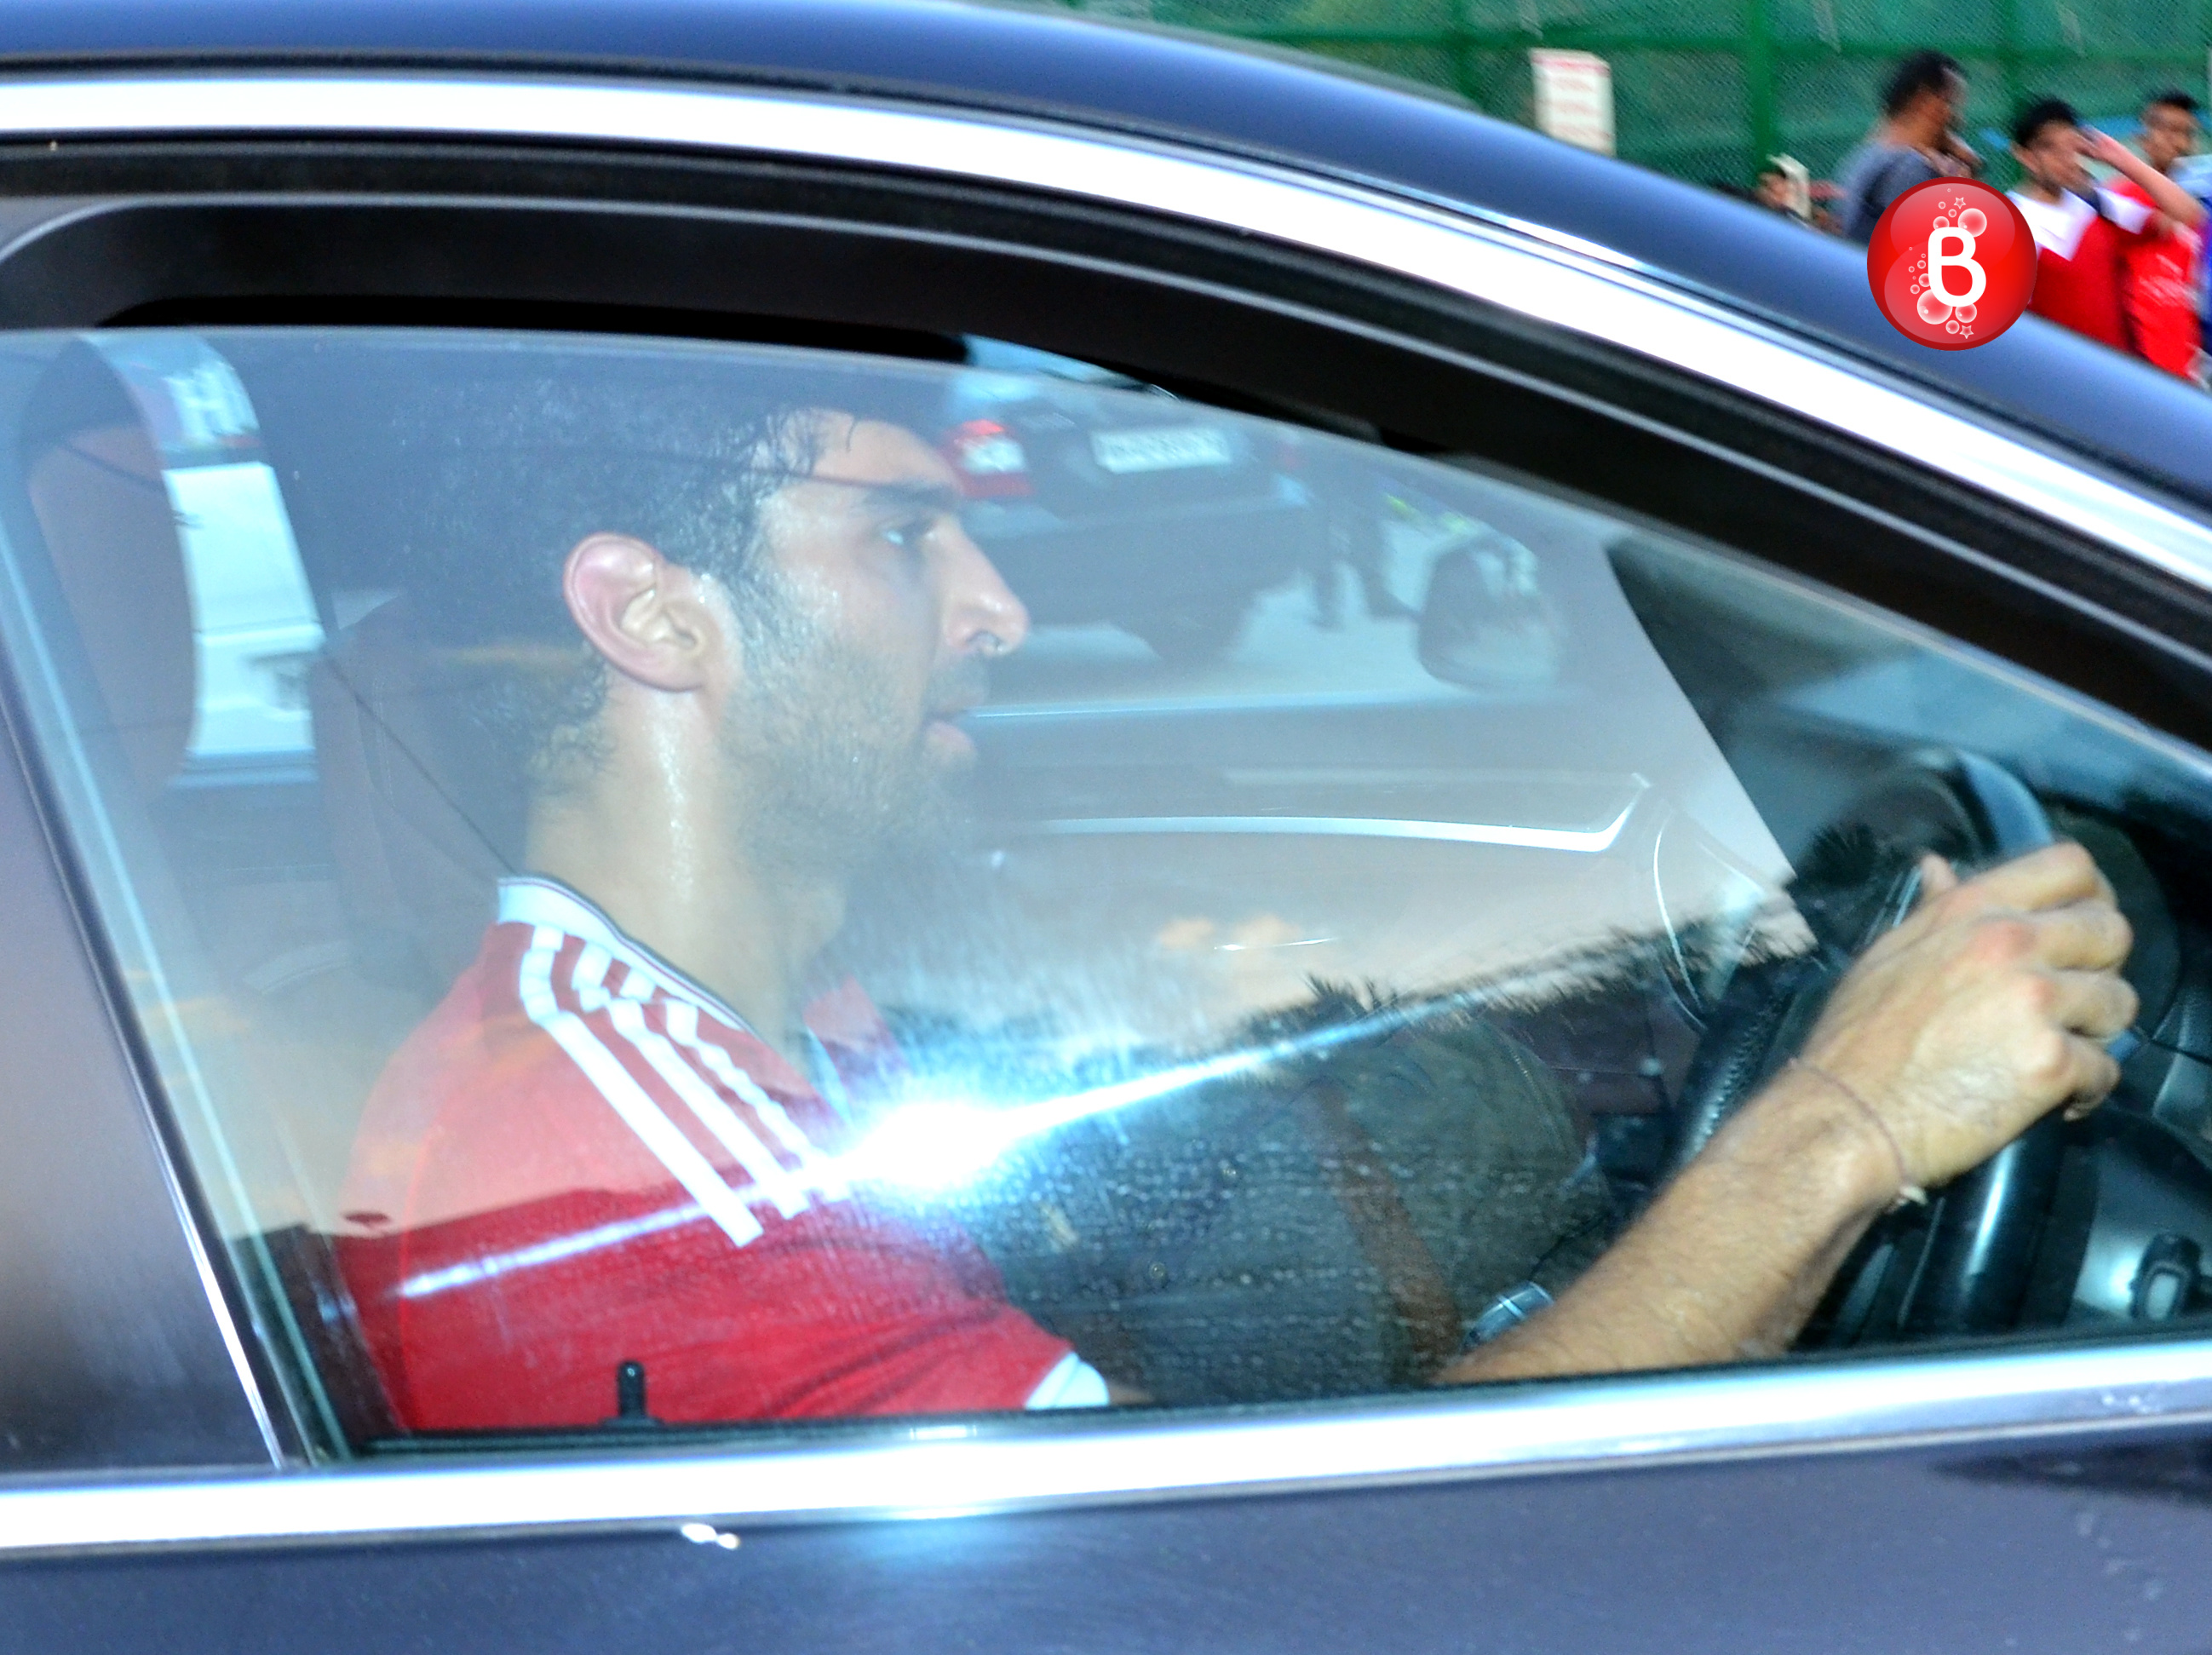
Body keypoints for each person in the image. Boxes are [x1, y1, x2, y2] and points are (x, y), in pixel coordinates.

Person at [335, 362, 2137, 1428]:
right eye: (900, 534)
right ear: (652, 614)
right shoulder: (634, 1183)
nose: (993, 606)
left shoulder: (773, 1017)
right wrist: (1830, 1125)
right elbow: (1279, 1602)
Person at [2009, 98, 2207, 360]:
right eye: (2050, 148)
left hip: (2119, 372)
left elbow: (2187, 214)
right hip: (2058, 374)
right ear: (2024, 155)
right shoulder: (2007, 225)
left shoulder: (2099, 204)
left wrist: (2119, 157)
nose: (2066, 159)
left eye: (2072, 147)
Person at [1835, 51, 1979, 242]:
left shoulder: (1861, 157)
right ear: (1926, 101)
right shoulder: (1910, 170)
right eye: (1951, 104)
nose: (1960, 120)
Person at [2115, 90, 2207, 382]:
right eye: (2165, 129)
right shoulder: (2117, 200)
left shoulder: (2201, 205)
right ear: (2142, 135)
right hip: (2134, 365)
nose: (2176, 141)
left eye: (2185, 133)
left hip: (2186, 366)